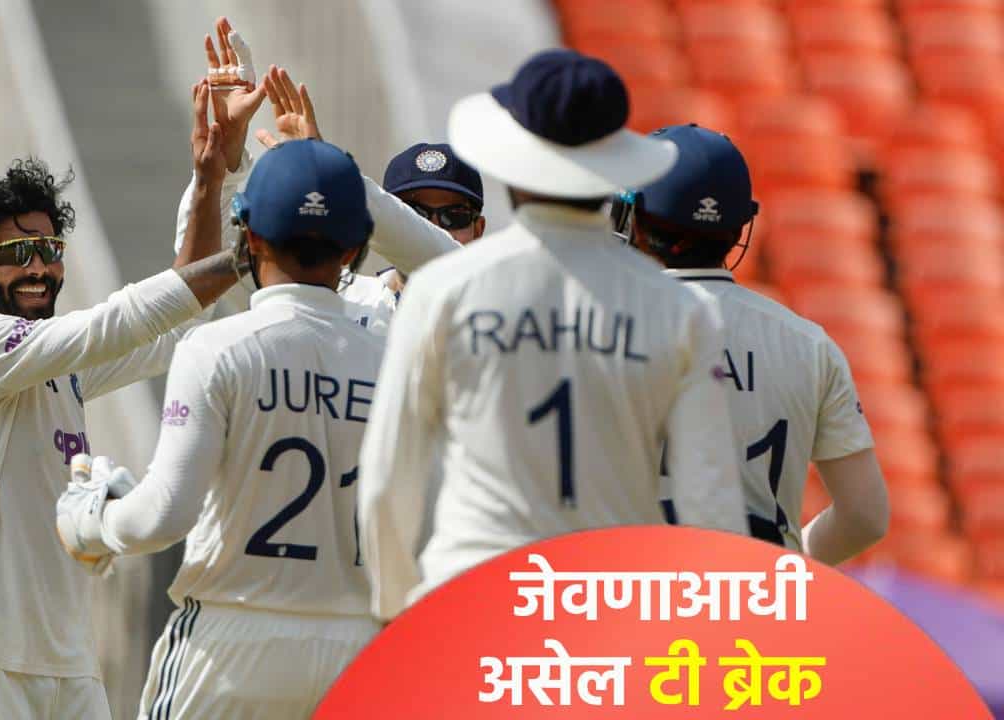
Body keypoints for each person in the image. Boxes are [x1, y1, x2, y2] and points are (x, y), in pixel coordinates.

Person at [356, 49, 748, 622]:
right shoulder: (683, 310)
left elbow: (388, 479)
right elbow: (710, 506)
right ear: (614, 166)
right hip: (606, 612)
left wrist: (397, 611)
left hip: (468, 600)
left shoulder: (445, 289)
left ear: (512, 161)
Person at [0, 80, 243, 719]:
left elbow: (180, 320)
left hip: (66, 659)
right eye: (15, 253)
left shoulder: (61, 365)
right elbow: (121, 320)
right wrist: (249, 255)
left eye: (49, 250)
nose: (39, 268)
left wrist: (210, 177)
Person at [56, 139, 386, 719]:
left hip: (231, 645)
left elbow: (163, 517)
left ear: (249, 236)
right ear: (355, 248)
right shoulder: (395, 360)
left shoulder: (218, 347)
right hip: (362, 651)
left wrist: (92, 519)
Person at [619, 124, 889, 563]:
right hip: (755, 593)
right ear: (737, 229)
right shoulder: (808, 345)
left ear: (639, 221)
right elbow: (865, 517)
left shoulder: (589, 329)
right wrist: (786, 561)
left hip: (629, 589)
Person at [173, 24, 460, 334]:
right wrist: (224, 164)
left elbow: (446, 264)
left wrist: (331, 175)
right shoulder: (327, 294)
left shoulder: (483, 307)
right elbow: (202, 268)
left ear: (480, 227)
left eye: (455, 215)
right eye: (416, 213)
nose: (435, 225)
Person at [374, 141, 487, 295]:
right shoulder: (351, 300)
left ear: (478, 231)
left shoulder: (502, 306)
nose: (434, 228)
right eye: (414, 213)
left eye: (453, 216)